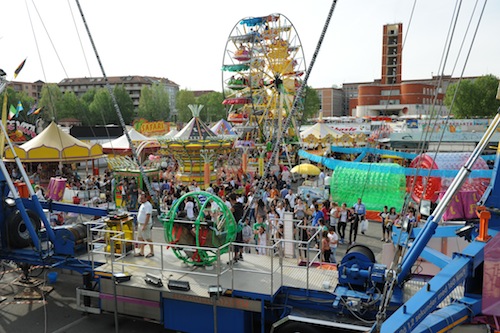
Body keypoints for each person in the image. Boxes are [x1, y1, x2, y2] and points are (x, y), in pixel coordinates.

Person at [135, 192, 154, 258]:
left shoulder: (148, 205)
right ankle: (141, 251)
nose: (141, 200)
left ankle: (152, 251)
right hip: (140, 224)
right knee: (141, 238)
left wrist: (145, 225)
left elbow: (148, 215)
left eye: (142, 198)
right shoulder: (142, 204)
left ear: (146, 198)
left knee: (148, 238)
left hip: (145, 224)